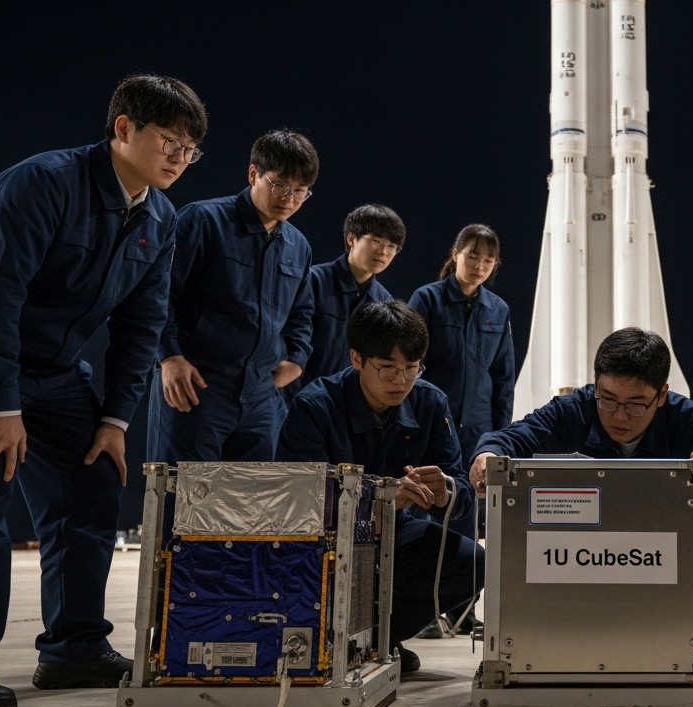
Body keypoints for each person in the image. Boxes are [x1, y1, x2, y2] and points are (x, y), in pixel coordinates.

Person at [0, 75, 207, 707]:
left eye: (190, 150)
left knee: (91, 483)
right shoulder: (42, 182)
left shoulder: (160, 216)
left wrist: (116, 418)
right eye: (169, 142)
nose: (180, 159)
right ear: (123, 128)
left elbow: (140, 324)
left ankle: (72, 649)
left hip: (52, 367)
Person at [470, 328, 693, 632]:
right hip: (582, 556)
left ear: (662, 395)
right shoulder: (570, 413)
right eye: (609, 400)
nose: (620, 416)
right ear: (595, 387)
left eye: (636, 404)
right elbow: (509, 438)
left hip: (665, 558)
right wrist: (486, 456)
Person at [277, 300, 481, 674]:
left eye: (411, 369)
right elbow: (294, 506)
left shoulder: (431, 403)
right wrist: (379, 499)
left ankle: (377, 637)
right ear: (356, 358)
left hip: (394, 533)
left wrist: (446, 491)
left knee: (472, 564)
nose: (400, 381)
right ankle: (327, 635)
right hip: (324, 545)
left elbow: (464, 497)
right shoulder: (314, 407)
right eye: (387, 368)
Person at [148, 130, 317, 462]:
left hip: (261, 398)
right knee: (183, 503)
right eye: (279, 185)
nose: (288, 198)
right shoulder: (203, 221)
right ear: (254, 173)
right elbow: (157, 294)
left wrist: (297, 359)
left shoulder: (299, 247)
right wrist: (168, 357)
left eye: (300, 191)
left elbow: (301, 314)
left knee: (250, 508)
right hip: (198, 387)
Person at [408, 223, 515, 463]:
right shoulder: (427, 299)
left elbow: (503, 378)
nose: (480, 266)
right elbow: (408, 364)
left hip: (479, 431)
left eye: (488, 260)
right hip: (431, 422)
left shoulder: (499, 309)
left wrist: (500, 437)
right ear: (456, 255)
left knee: (475, 497)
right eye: (473, 256)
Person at [292, 204, 404, 396]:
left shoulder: (384, 301)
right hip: (296, 395)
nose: (383, 252)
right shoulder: (314, 281)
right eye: (376, 241)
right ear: (351, 238)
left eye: (391, 246)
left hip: (345, 405)